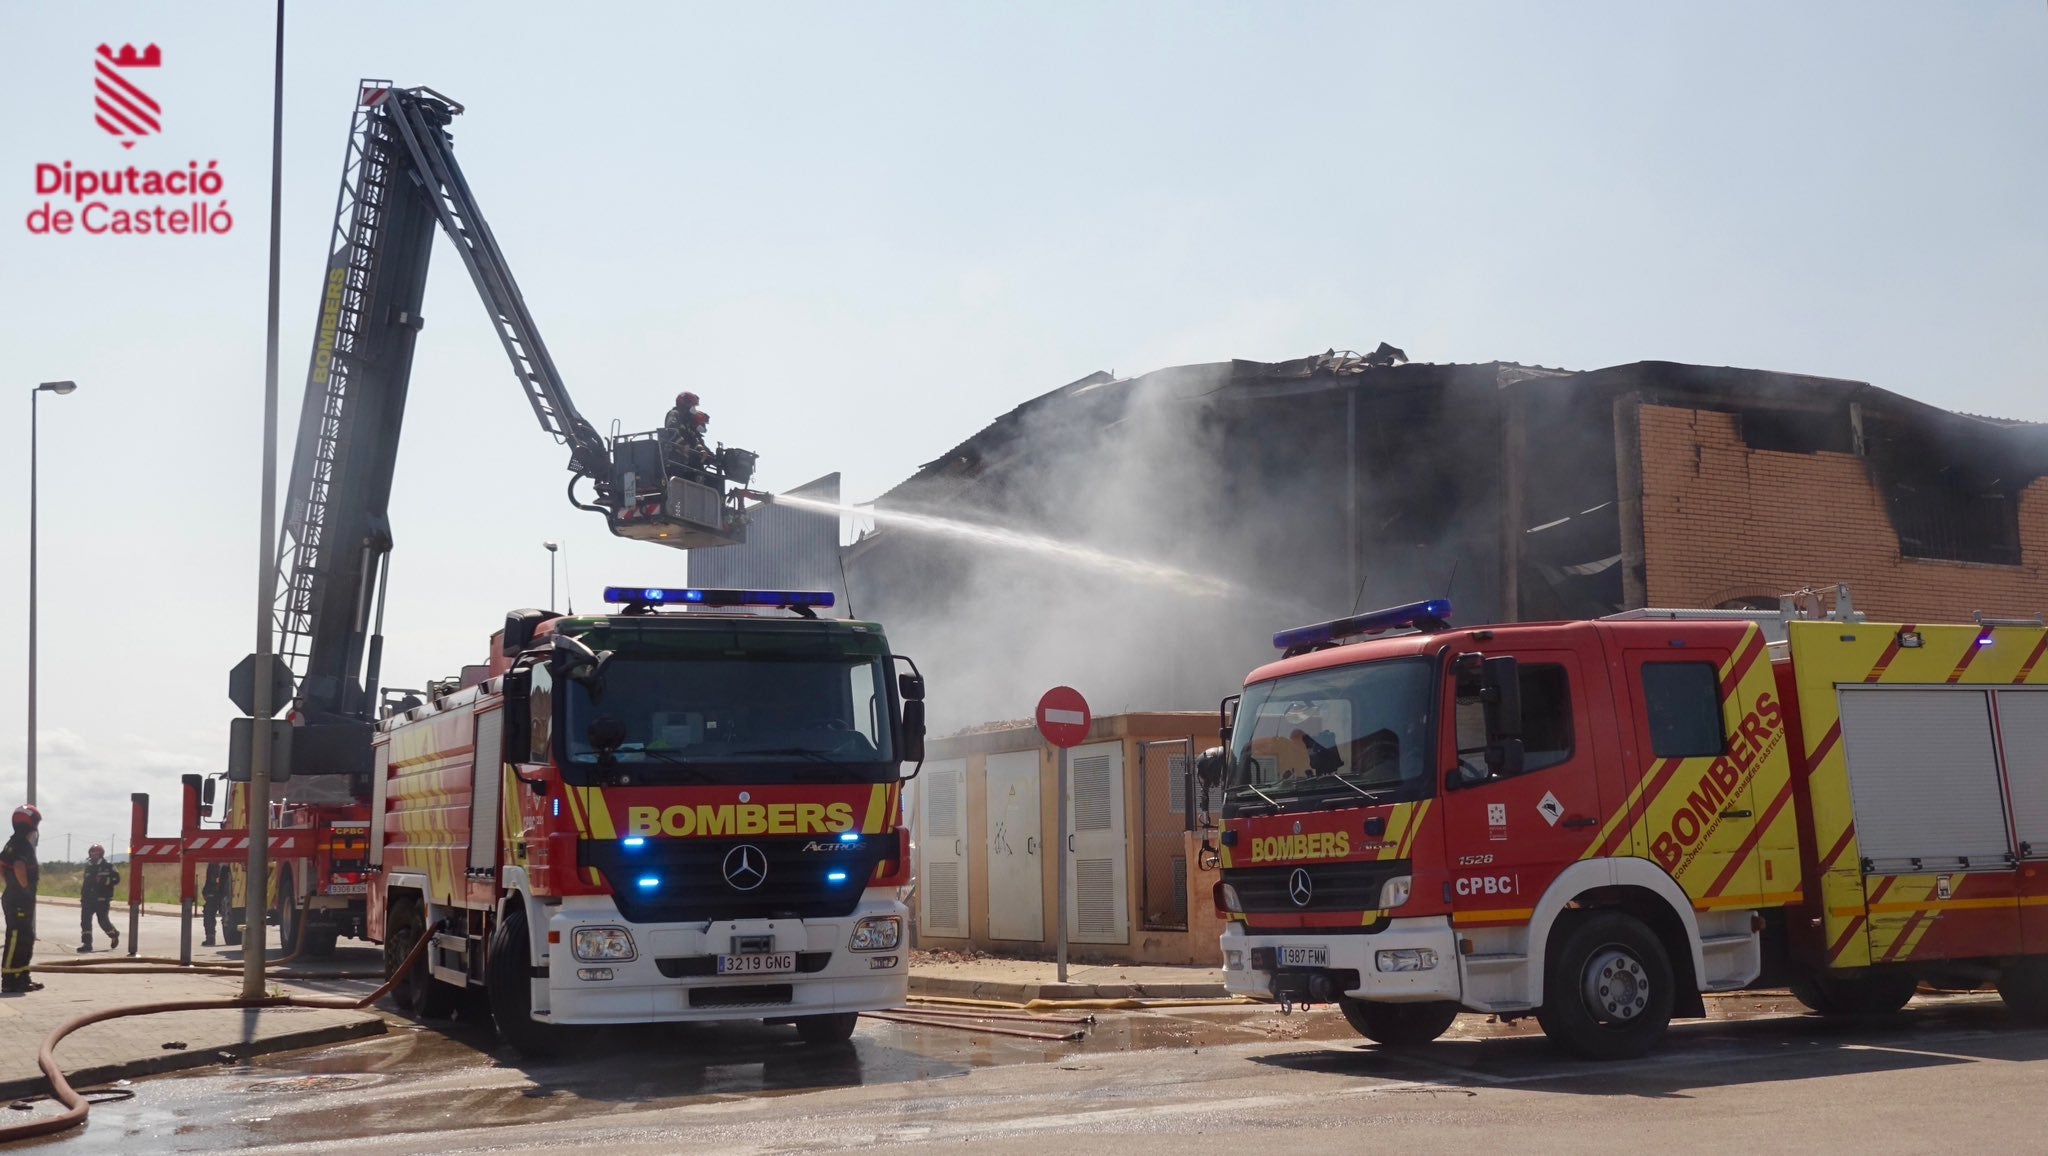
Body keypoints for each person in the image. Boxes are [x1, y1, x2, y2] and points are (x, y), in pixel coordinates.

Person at [1, 805, 41, 994]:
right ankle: (9, 979)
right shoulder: (22, 845)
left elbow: (2, 866)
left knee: (26, 937)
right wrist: (23, 888)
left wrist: (9, 885)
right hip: (19, 899)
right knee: (17, 937)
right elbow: (18, 866)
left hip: (14, 896)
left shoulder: (12, 843)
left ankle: (22, 977)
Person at [77, 843, 119, 953]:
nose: (93, 855)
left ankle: (114, 934)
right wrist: (83, 897)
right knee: (85, 921)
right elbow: (86, 884)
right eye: (91, 853)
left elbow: (116, 880)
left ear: (101, 854)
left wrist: (104, 882)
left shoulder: (109, 866)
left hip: (102, 899)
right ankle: (87, 944)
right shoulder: (89, 866)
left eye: (95, 853)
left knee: (103, 921)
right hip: (88, 900)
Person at [201, 862, 228, 946]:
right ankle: (210, 937)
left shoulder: (215, 863)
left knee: (209, 913)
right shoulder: (214, 863)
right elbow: (210, 879)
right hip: (217, 892)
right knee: (208, 912)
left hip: (217, 892)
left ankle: (210, 937)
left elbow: (210, 880)